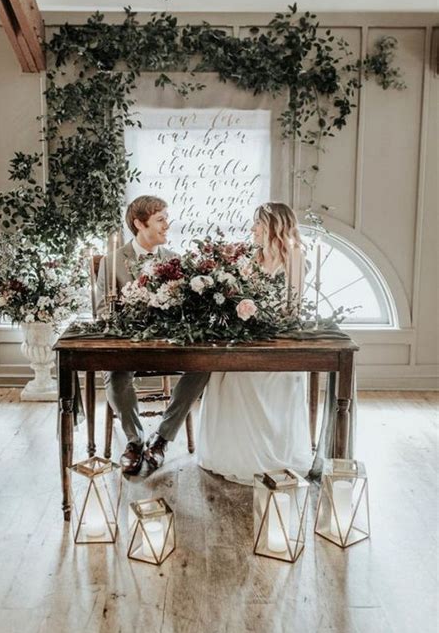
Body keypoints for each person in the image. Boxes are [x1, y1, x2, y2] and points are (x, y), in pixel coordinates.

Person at [196, 202, 313, 484]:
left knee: (256, 375)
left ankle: (272, 456)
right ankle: (233, 452)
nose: (252, 230)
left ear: (273, 226)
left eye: (257, 224)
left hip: (278, 341)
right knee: (228, 374)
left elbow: (291, 309)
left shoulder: (295, 259)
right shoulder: (250, 259)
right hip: (247, 337)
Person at [96, 195, 209, 475]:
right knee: (116, 374)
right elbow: (102, 312)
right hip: (128, 345)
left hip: (167, 344)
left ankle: (161, 438)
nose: (167, 225)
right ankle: (135, 442)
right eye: (160, 220)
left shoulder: (174, 261)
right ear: (139, 223)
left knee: (204, 368)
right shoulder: (112, 262)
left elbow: (185, 308)